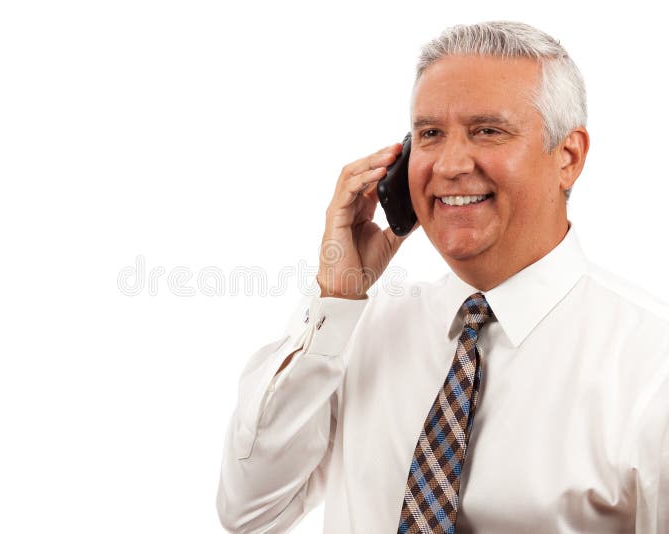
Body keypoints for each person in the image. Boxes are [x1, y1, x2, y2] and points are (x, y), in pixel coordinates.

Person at [216, 21, 669, 533]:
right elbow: (249, 509)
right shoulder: (357, 332)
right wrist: (336, 299)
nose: (450, 165)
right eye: (430, 133)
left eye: (487, 131)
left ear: (568, 157)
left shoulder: (653, 368)